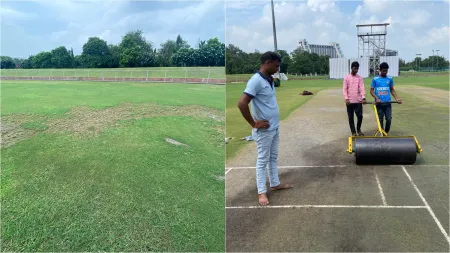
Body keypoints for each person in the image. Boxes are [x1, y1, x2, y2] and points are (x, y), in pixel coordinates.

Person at [237, 51, 293, 206]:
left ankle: (275, 184)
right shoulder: (255, 81)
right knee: (262, 160)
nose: (278, 68)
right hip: (264, 130)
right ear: (267, 63)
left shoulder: (269, 79)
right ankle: (261, 192)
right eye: (276, 65)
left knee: (273, 157)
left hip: (274, 127)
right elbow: (242, 103)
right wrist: (254, 124)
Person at [370, 62, 402, 134]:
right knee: (380, 120)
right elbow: (371, 91)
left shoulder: (390, 79)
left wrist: (397, 98)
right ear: (380, 70)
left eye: (386, 70)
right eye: (384, 70)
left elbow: (392, 90)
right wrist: (377, 98)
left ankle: (385, 133)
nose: (385, 72)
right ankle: (382, 134)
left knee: (388, 120)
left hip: (388, 103)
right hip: (379, 104)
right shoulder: (375, 79)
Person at [343, 61, 367, 136]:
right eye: (355, 68)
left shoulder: (360, 78)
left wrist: (363, 97)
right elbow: (345, 89)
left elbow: (362, 88)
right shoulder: (346, 78)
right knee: (351, 118)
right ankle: (353, 132)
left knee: (360, 116)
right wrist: (346, 99)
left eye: (357, 69)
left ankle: (359, 129)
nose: (356, 70)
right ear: (351, 68)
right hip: (349, 101)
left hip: (358, 101)